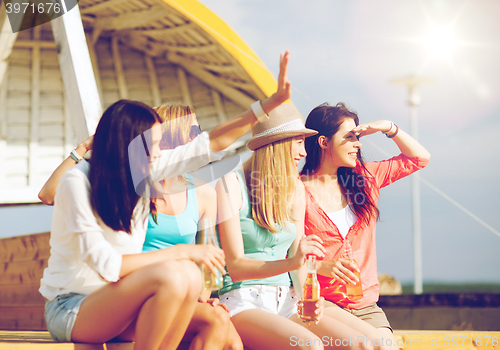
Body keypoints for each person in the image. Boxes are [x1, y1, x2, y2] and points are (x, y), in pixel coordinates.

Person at [38, 52, 292, 349]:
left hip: (121, 302)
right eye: (155, 145)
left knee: (210, 314)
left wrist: (264, 108)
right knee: (176, 272)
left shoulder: (141, 170)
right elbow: (107, 265)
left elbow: (207, 145)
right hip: (73, 308)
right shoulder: (77, 182)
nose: (160, 153)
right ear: (129, 144)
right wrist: (184, 251)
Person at [215, 104, 372, 350]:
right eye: (298, 142)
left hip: (287, 302)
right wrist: (292, 263)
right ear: (278, 143)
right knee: (309, 345)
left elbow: (299, 259)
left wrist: (309, 295)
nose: (304, 152)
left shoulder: (295, 189)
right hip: (244, 301)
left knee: (359, 345)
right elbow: (235, 268)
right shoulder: (230, 185)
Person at [300, 103, 431, 349]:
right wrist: (319, 266)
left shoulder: (366, 180)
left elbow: (419, 158)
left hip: (366, 305)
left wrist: (389, 128)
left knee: (388, 347)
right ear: (323, 142)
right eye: (349, 137)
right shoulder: (297, 190)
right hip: (320, 300)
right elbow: (285, 254)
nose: (357, 144)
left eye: (357, 137)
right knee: (366, 345)